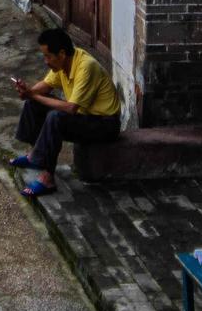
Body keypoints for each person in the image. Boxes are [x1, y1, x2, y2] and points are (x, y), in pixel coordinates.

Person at [8, 27, 120, 197]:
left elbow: (71, 108)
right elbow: (44, 86)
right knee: (34, 103)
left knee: (56, 118)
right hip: (85, 116)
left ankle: (47, 179)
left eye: (48, 56)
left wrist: (33, 95)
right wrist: (28, 92)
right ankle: (35, 156)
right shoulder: (62, 65)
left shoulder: (85, 66)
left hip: (105, 124)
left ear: (61, 54)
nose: (45, 61)